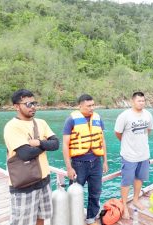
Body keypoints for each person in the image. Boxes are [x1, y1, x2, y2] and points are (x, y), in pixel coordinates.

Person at [4, 89, 59, 225]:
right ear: (16, 106)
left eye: (34, 103)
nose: (33, 107)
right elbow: (25, 154)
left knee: (41, 217)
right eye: (28, 104)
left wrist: (38, 143)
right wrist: (46, 144)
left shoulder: (41, 123)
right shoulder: (12, 127)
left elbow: (56, 144)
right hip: (24, 184)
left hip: (44, 180)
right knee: (23, 222)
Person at [62, 94, 108, 225]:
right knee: (74, 193)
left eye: (93, 105)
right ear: (80, 106)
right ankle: (72, 219)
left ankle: (91, 218)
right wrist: (69, 168)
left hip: (96, 162)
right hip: (78, 164)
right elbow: (65, 145)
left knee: (95, 192)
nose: (91, 108)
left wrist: (105, 160)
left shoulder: (98, 118)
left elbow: (102, 140)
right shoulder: (71, 120)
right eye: (88, 106)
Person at [114, 92, 153, 219]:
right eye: (139, 101)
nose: (141, 103)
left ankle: (136, 200)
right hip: (129, 155)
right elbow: (118, 133)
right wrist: (127, 144)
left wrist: (140, 142)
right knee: (126, 181)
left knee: (139, 178)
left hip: (144, 155)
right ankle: (125, 205)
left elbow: (149, 130)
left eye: (143, 101)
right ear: (133, 101)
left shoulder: (148, 114)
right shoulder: (124, 116)